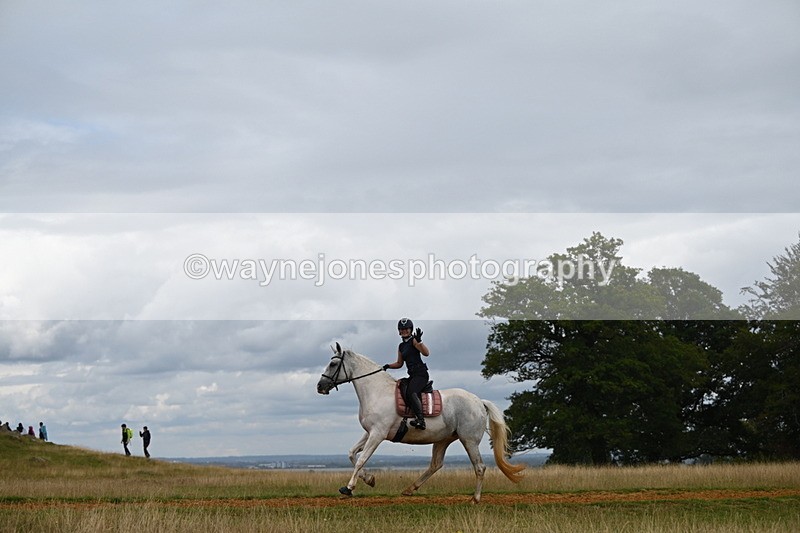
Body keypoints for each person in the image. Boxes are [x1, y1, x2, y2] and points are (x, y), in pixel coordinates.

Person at [383, 318, 431, 430]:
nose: (404, 331)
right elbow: (399, 363)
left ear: (410, 329)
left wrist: (419, 342)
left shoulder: (414, 340)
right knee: (401, 385)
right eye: (402, 329)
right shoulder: (401, 346)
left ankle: (421, 420)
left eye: (406, 329)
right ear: (399, 331)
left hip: (421, 374)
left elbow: (426, 353)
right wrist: (388, 366)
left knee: (411, 392)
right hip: (412, 375)